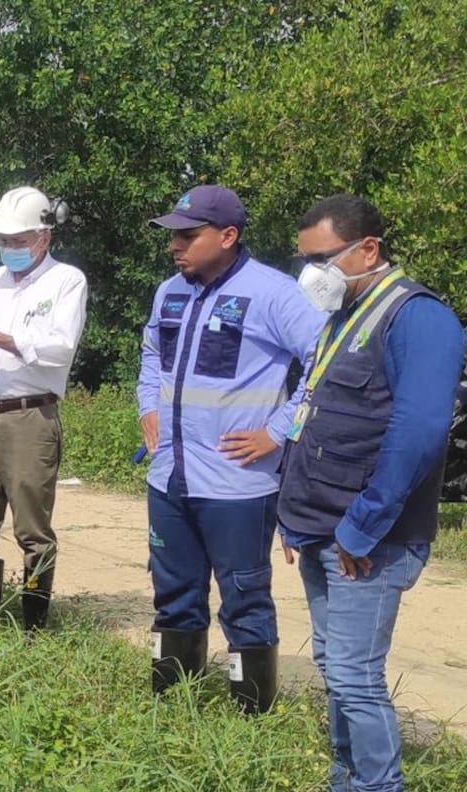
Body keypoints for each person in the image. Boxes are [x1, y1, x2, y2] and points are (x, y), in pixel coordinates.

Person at [278, 194, 465, 792]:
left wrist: (363, 524)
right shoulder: (343, 315)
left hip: (369, 538)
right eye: (304, 259)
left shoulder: (419, 319)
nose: (311, 272)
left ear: (368, 251)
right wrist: (295, 516)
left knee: (356, 677)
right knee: (333, 667)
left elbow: (417, 437)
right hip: (320, 526)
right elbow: (313, 414)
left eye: (321, 258)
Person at [138, 184, 326, 714]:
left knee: (243, 598)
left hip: (237, 483)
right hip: (171, 476)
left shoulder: (274, 293)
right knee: (173, 594)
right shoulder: (169, 291)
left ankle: (250, 717)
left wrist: (280, 429)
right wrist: (147, 406)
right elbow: (152, 353)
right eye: (172, 234)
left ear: (227, 235)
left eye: (187, 235)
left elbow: (325, 361)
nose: (176, 245)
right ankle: (173, 705)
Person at [0, 187, 88, 632]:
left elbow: (59, 350)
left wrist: (2, 338)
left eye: (17, 240)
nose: (8, 249)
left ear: (43, 237)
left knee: (32, 529)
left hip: (29, 418)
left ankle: (33, 627)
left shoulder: (66, 281)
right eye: (3, 241)